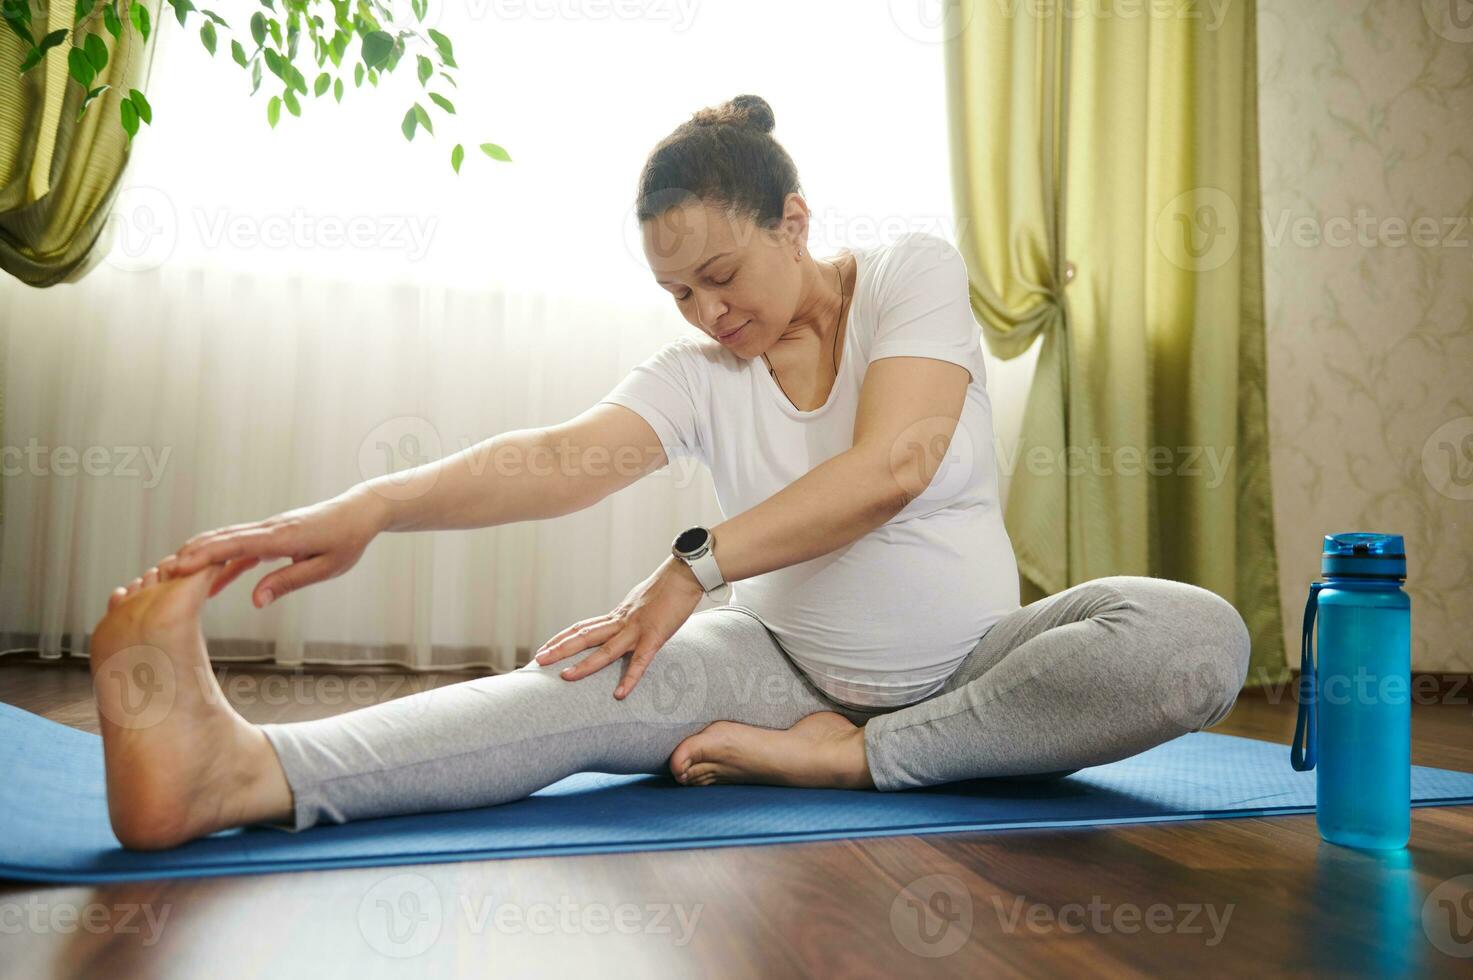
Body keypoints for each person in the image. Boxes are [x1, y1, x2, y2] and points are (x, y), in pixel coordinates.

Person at [87, 95, 1250, 851]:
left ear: (795, 220)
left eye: (724, 273)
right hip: (769, 669)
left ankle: (863, 760)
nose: (709, 311)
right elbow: (551, 461)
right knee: (571, 688)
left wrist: (695, 563)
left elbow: (894, 465)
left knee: (1192, 638)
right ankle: (235, 771)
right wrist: (371, 506)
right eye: (678, 293)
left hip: (973, 671)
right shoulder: (703, 371)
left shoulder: (913, 276)